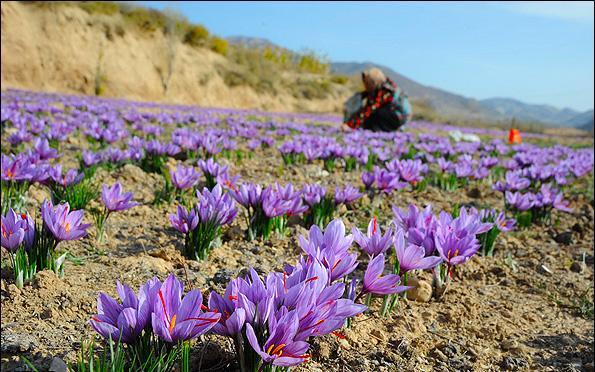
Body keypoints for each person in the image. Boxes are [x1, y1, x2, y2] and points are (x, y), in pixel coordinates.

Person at [342, 68, 412, 132]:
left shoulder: (386, 91)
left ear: (374, 82)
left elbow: (369, 110)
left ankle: (387, 131)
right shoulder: (379, 88)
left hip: (398, 119)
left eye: (367, 83)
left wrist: (351, 126)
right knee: (372, 115)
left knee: (377, 113)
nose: (365, 85)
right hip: (393, 117)